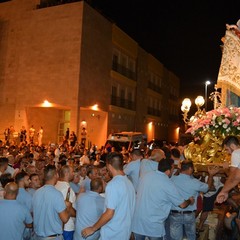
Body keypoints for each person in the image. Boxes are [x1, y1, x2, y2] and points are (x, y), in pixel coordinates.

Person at [132, 158, 194, 240]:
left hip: (138, 223)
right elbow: (182, 205)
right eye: (172, 169)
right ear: (168, 170)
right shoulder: (168, 184)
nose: (173, 171)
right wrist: (190, 200)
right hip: (154, 226)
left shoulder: (145, 176)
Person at [81, 152, 136, 240]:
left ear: (109, 165)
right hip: (124, 233)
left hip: (112, 234)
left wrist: (93, 228)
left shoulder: (113, 185)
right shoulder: (129, 183)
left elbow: (109, 213)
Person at [169, 160, 220, 240]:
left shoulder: (172, 179)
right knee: (191, 237)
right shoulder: (194, 182)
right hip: (189, 215)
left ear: (181, 168)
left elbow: (174, 176)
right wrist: (210, 175)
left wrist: (179, 170)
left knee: (175, 238)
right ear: (190, 169)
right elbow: (207, 188)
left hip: (174, 214)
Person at [32, 164, 74, 239]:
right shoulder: (57, 194)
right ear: (56, 175)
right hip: (52, 237)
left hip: (38, 236)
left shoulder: (36, 192)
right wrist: (68, 207)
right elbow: (64, 218)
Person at [55, 165, 76, 240]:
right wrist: (77, 214)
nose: (74, 174)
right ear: (67, 174)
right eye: (72, 172)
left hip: (58, 224)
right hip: (67, 226)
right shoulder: (67, 189)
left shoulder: (57, 184)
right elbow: (68, 208)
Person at [217, 136, 240, 203]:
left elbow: (234, 176)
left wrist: (226, 169)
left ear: (232, 146)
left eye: (227, 149)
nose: (228, 152)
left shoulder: (236, 153)